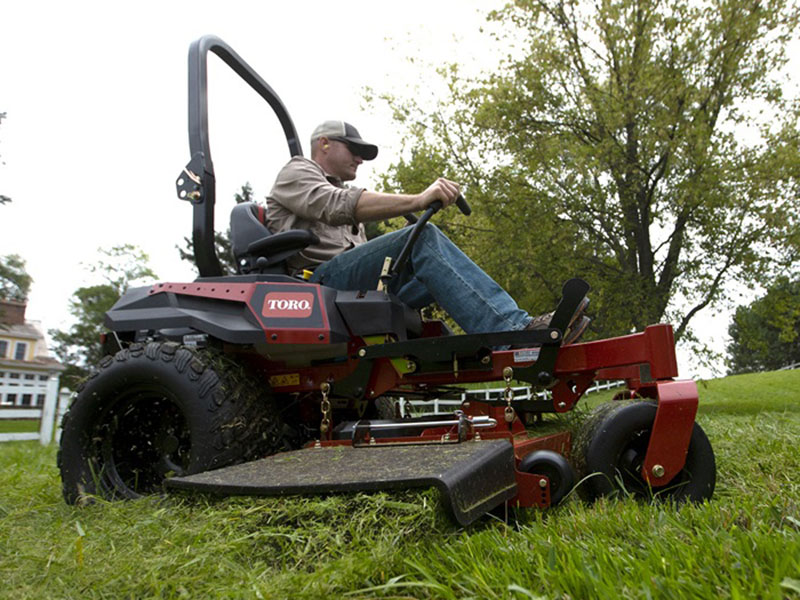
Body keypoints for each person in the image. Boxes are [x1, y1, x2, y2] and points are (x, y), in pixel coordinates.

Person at [266, 120, 589, 340]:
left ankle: (473, 353)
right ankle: (514, 331)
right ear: (323, 143)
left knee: (430, 265)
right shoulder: (298, 171)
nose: (360, 159)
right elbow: (336, 204)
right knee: (424, 239)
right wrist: (418, 201)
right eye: (354, 149)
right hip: (318, 285)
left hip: (352, 288)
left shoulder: (341, 188)